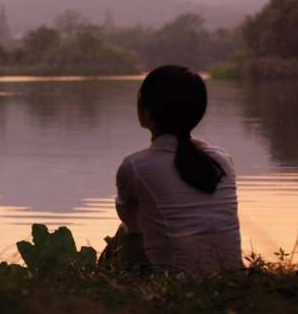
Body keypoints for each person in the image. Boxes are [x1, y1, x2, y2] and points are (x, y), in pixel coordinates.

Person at [102, 65, 242, 274]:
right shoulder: (221, 159)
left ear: (145, 111)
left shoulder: (136, 167)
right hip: (230, 277)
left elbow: (132, 223)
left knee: (126, 234)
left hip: (176, 280)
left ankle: (104, 284)